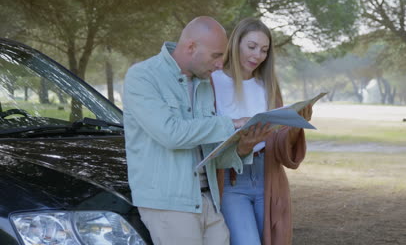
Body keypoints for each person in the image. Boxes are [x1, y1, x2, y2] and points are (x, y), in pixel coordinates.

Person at [123, 16, 254, 245]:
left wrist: (243, 146)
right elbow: (171, 134)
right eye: (216, 55)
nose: (220, 64)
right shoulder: (143, 76)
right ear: (191, 47)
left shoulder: (204, 85)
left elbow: (208, 151)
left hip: (206, 199)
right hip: (169, 205)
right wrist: (230, 123)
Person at [211, 17, 312, 245]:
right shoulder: (213, 82)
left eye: (264, 50)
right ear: (236, 43)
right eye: (252, 47)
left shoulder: (267, 86)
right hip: (231, 179)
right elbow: (207, 137)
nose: (257, 56)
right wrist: (243, 146)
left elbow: (278, 141)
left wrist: (295, 126)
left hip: (268, 175)